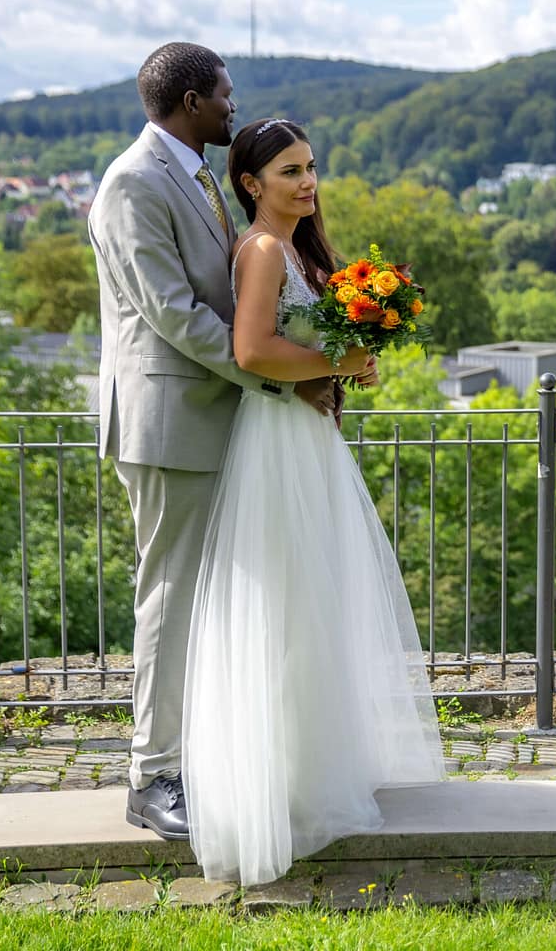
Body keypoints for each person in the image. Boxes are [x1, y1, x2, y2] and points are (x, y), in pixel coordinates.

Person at [181, 117, 445, 886]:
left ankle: (315, 766)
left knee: (316, 605)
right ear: (250, 185)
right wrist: (338, 356)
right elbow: (253, 350)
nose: (307, 182)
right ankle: (284, 788)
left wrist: (350, 361)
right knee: (289, 609)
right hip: (278, 442)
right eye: (289, 171)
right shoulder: (262, 251)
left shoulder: (299, 250)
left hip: (311, 436)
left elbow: (301, 348)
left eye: (310, 167)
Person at [89, 43, 338, 841]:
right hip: (168, 423)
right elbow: (174, 316)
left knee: (209, 601)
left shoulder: (192, 175)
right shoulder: (134, 181)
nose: (235, 107)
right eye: (226, 96)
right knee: (170, 598)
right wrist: (282, 376)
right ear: (192, 100)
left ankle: (200, 755)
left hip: (215, 418)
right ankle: (151, 774)